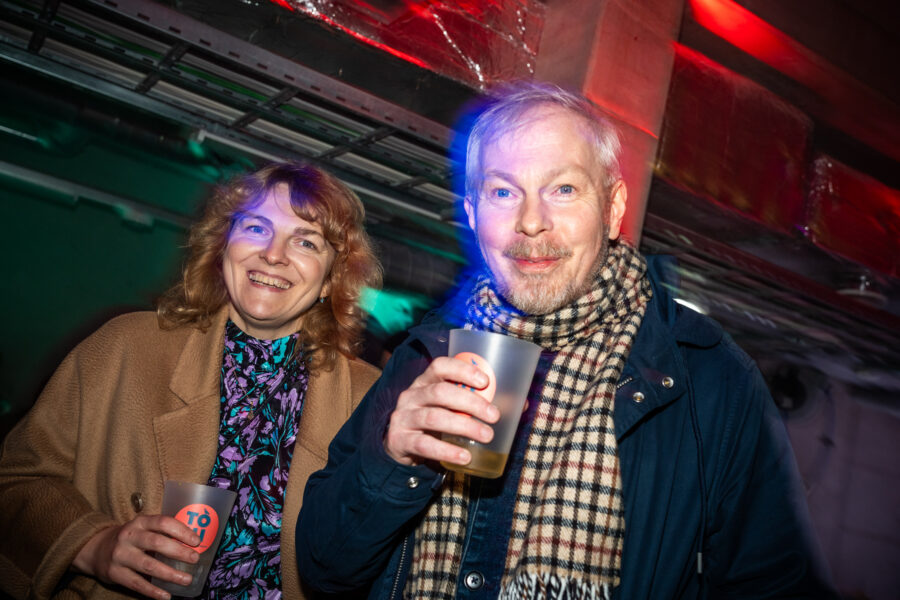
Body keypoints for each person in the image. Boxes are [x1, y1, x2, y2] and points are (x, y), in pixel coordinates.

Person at [295, 83, 837, 599]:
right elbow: (323, 568)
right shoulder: (425, 355)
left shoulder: (708, 378)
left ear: (613, 208)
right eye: (503, 191)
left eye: (564, 189)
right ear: (472, 213)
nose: (532, 223)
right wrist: (392, 461)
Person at [0, 162, 382, 600]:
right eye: (256, 228)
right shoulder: (126, 348)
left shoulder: (370, 401)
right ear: (223, 247)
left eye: (305, 241)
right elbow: (13, 481)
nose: (273, 254)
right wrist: (92, 544)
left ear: (330, 279)